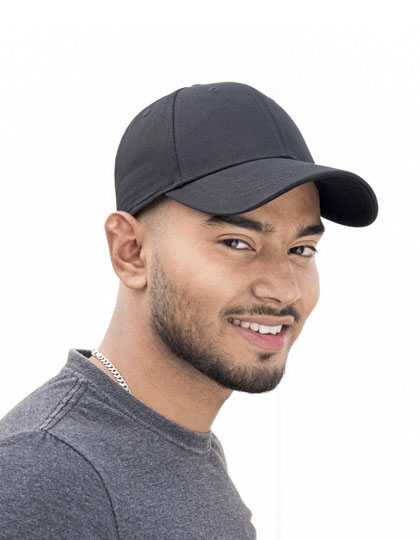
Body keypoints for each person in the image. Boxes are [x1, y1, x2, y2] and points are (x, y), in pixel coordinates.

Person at [0, 82, 378, 539]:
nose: (285, 289)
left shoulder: (183, 442)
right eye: (237, 243)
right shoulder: (46, 469)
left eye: (301, 249)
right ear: (130, 252)